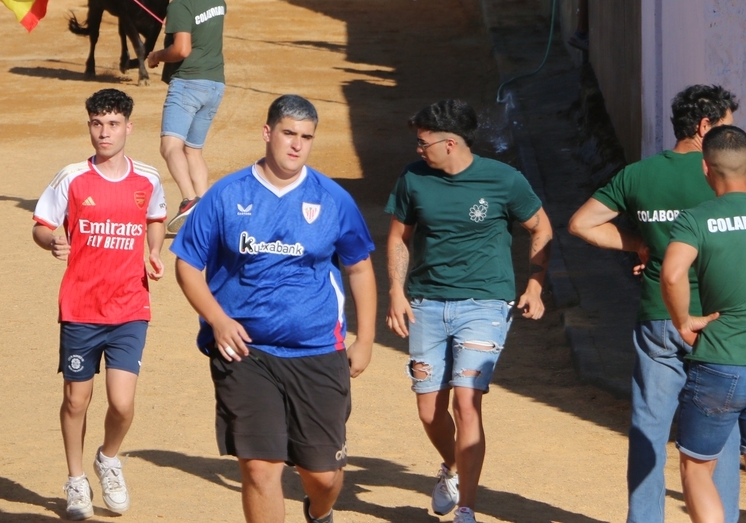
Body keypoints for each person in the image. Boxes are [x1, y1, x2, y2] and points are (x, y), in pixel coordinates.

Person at [173, 94, 377, 523]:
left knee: (322, 476)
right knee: (259, 467)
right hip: (246, 352)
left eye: (307, 137)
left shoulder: (333, 198)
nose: (297, 144)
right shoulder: (227, 194)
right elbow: (188, 265)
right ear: (268, 133)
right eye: (289, 133)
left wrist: (366, 339)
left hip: (318, 350)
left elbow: (359, 268)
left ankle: (319, 512)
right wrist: (218, 320)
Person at [569, 85, 739, 523]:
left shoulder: (638, 174)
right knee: (717, 434)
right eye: (727, 124)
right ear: (705, 126)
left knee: (649, 425)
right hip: (719, 323)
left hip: (660, 317)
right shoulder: (729, 176)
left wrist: (640, 245)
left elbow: (582, 223)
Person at [386, 99, 553, 523]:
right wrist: (396, 292)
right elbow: (399, 238)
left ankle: (467, 509)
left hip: (486, 304)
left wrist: (535, 284)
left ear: (450, 143)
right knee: (429, 410)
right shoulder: (413, 177)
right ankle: (453, 466)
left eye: (423, 142)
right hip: (426, 303)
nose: (418, 149)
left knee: (466, 402)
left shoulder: (504, 180)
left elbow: (541, 227)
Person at [31, 88, 166, 519]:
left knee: (122, 404)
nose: (104, 132)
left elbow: (156, 217)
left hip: (130, 306)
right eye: (96, 124)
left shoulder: (148, 178)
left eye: (112, 124)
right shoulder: (71, 178)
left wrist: (154, 251)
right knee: (76, 400)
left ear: (128, 127)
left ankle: (108, 458)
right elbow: (41, 224)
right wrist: (52, 241)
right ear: (89, 126)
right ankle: (76, 480)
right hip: (81, 308)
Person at [662, 124, 746, 523]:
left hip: (720, 360)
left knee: (697, 468)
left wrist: (683, 321)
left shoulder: (696, 219)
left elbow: (672, 274)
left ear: (706, 168)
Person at [145, 0, 226, 234]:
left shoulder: (179, 4)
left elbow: (181, 49)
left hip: (189, 83)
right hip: (215, 84)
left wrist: (156, 56)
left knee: (170, 147)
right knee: (193, 151)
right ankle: (205, 209)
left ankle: (189, 200)